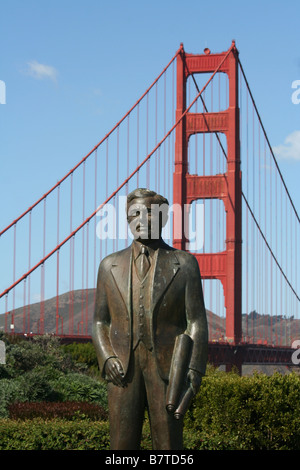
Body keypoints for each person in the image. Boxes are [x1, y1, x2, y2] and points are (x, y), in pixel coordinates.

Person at [92, 188, 208, 450]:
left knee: (169, 446)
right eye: (134, 214)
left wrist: (194, 368)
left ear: (164, 218)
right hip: (122, 369)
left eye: (149, 214)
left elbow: (197, 321)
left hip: (169, 370)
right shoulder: (108, 265)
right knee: (121, 447)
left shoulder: (185, 264)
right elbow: (100, 321)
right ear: (126, 220)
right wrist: (107, 356)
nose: (141, 220)